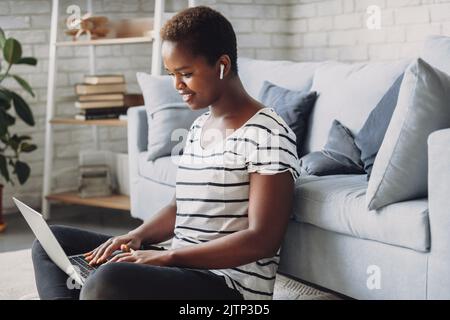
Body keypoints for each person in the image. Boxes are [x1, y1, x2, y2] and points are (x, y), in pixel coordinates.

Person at [31, 6, 301, 300]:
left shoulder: (268, 134)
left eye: (186, 73)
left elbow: (262, 240)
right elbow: (178, 209)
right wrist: (137, 237)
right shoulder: (199, 127)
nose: (177, 86)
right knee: (51, 242)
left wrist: (166, 259)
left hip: (227, 288)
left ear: (222, 65)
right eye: (172, 74)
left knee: (107, 281)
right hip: (179, 264)